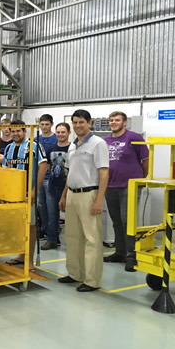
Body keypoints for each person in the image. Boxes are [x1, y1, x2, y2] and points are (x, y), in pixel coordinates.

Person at [58, 109, 109, 292]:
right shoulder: (73, 145)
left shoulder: (98, 144)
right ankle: (75, 273)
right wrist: (64, 195)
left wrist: (99, 200)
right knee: (72, 236)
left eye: (81, 122)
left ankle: (91, 280)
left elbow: (104, 173)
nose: (78, 126)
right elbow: (70, 172)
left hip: (89, 194)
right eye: (75, 122)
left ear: (89, 123)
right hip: (72, 194)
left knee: (91, 238)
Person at [103, 111, 149, 272]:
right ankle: (120, 252)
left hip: (129, 186)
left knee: (127, 221)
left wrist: (140, 179)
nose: (113, 123)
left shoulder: (134, 137)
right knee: (116, 221)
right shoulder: (105, 141)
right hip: (110, 186)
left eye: (117, 120)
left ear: (124, 123)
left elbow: (145, 160)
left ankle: (131, 256)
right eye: (111, 120)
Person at [2, 119, 48, 270]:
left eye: (18, 131)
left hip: (28, 194)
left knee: (30, 226)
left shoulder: (34, 146)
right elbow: (4, 171)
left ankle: (29, 260)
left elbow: (43, 166)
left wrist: (35, 190)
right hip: (12, 195)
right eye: (13, 131)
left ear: (24, 131)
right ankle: (21, 255)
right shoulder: (8, 148)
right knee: (17, 226)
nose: (15, 134)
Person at [41, 122, 71, 250]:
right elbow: (47, 166)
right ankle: (52, 240)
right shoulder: (51, 149)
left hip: (69, 187)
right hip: (53, 186)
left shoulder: (72, 148)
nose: (60, 134)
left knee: (71, 216)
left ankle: (72, 242)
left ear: (69, 133)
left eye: (63, 132)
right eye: (58, 132)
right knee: (52, 215)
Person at [35, 114, 58, 243]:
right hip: (39, 178)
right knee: (41, 206)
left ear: (51, 124)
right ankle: (44, 229)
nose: (44, 127)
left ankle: (53, 236)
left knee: (52, 208)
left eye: (47, 124)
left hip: (50, 179)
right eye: (42, 124)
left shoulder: (56, 139)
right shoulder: (35, 140)